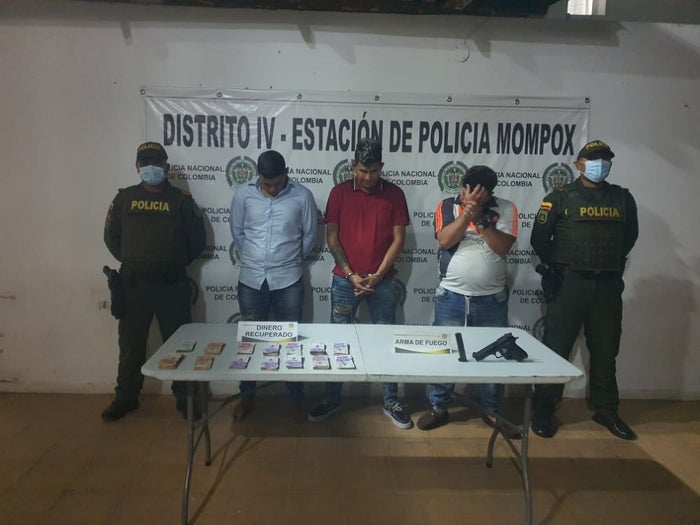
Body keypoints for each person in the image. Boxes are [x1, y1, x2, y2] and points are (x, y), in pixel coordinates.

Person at [530, 140, 639, 440]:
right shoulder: (560, 197)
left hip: (607, 285)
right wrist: (558, 267)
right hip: (570, 283)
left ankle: (607, 410)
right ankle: (544, 410)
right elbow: (540, 239)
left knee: (606, 349)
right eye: (593, 159)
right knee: (556, 348)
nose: (600, 163)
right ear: (579, 165)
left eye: (605, 159)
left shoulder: (622, 198)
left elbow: (630, 237)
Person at [308, 137, 412, 429]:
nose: (368, 177)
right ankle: (332, 398)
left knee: (386, 341)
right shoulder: (339, 193)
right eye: (363, 171)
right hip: (345, 281)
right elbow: (332, 237)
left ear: (382, 167)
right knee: (337, 341)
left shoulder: (395, 194)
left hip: (383, 281)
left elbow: (398, 240)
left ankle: (391, 401)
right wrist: (350, 273)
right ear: (352, 166)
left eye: (374, 171)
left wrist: (377, 275)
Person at [102, 142, 206, 422]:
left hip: (171, 285)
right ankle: (126, 397)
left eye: (157, 162)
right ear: (137, 167)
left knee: (181, 345)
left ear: (166, 166)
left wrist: (171, 262)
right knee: (131, 345)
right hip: (133, 285)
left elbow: (197, 241)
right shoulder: (124, 199)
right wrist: (137, 261)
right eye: (145, 162)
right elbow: (112, 237)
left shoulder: (182, 200)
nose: (151, 167)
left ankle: (185, 398)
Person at [417, 166, 519, 434]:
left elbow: (503, 247)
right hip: (451, 295)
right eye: (466, 189)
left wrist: (481, 220)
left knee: (495, 356)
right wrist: (467, 215)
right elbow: (444, 240)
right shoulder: (447, 206)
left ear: (489, 194)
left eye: (477, 193)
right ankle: (439, 407)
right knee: (445, 353)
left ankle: (493, 411)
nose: (468, 195)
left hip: (491, 298)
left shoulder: (506, 208)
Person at [229, 150, 318, 422]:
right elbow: (238, 232)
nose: (272, 189)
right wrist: (256, 257)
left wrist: (287, 260)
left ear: (286, 173)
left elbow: (310, 235)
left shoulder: (302, 196)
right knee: (250, 342)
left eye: (277, 183)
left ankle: (296, 398)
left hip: (288, 279)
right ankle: (247, 396)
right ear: (258, 175)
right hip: (251, 279)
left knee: (290, 341)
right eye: (267, 184)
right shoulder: (243, 195)